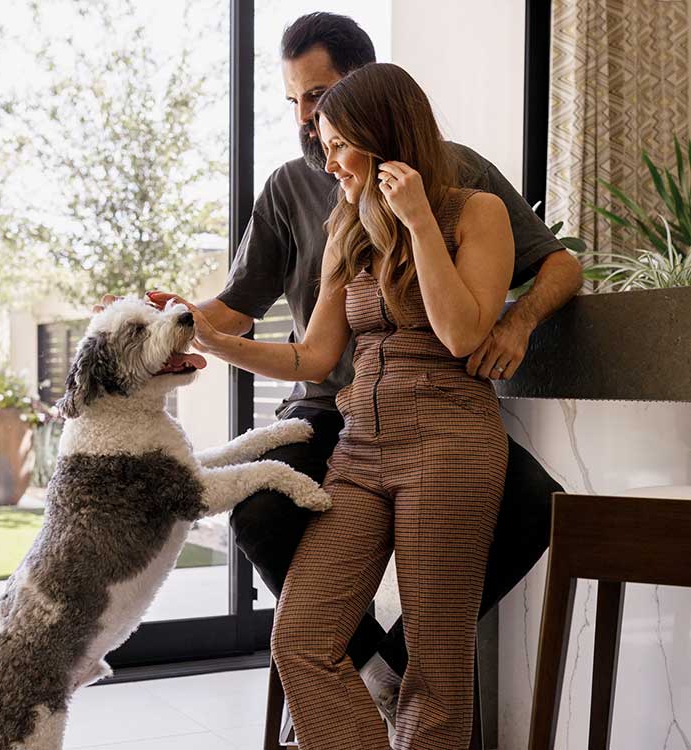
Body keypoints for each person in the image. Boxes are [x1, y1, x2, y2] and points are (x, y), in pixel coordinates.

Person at [96, 11, 582, 743]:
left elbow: (476, 320)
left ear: (370, 107)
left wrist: (432, 237)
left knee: (449, 650)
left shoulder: (467, 196)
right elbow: (308, 354)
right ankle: (373, 680)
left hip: (447, 437)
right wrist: (194, 330)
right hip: (351, 431)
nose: (313, 135)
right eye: (300, 111)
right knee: (295, 625)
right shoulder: (328, 214)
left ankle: (403, 678)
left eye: (325, 115)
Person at [170, 58, 515, 750]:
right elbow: (314, 357)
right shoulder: (346, 228)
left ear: (383, 135)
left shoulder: (477, 213)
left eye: (337, 145)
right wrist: (214, 338)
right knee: (300, 639)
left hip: (450, 449)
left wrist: (417, 222)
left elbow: (463, 332)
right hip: (361, 450)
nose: (327, 164)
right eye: (322, 146)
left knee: (437, 669)